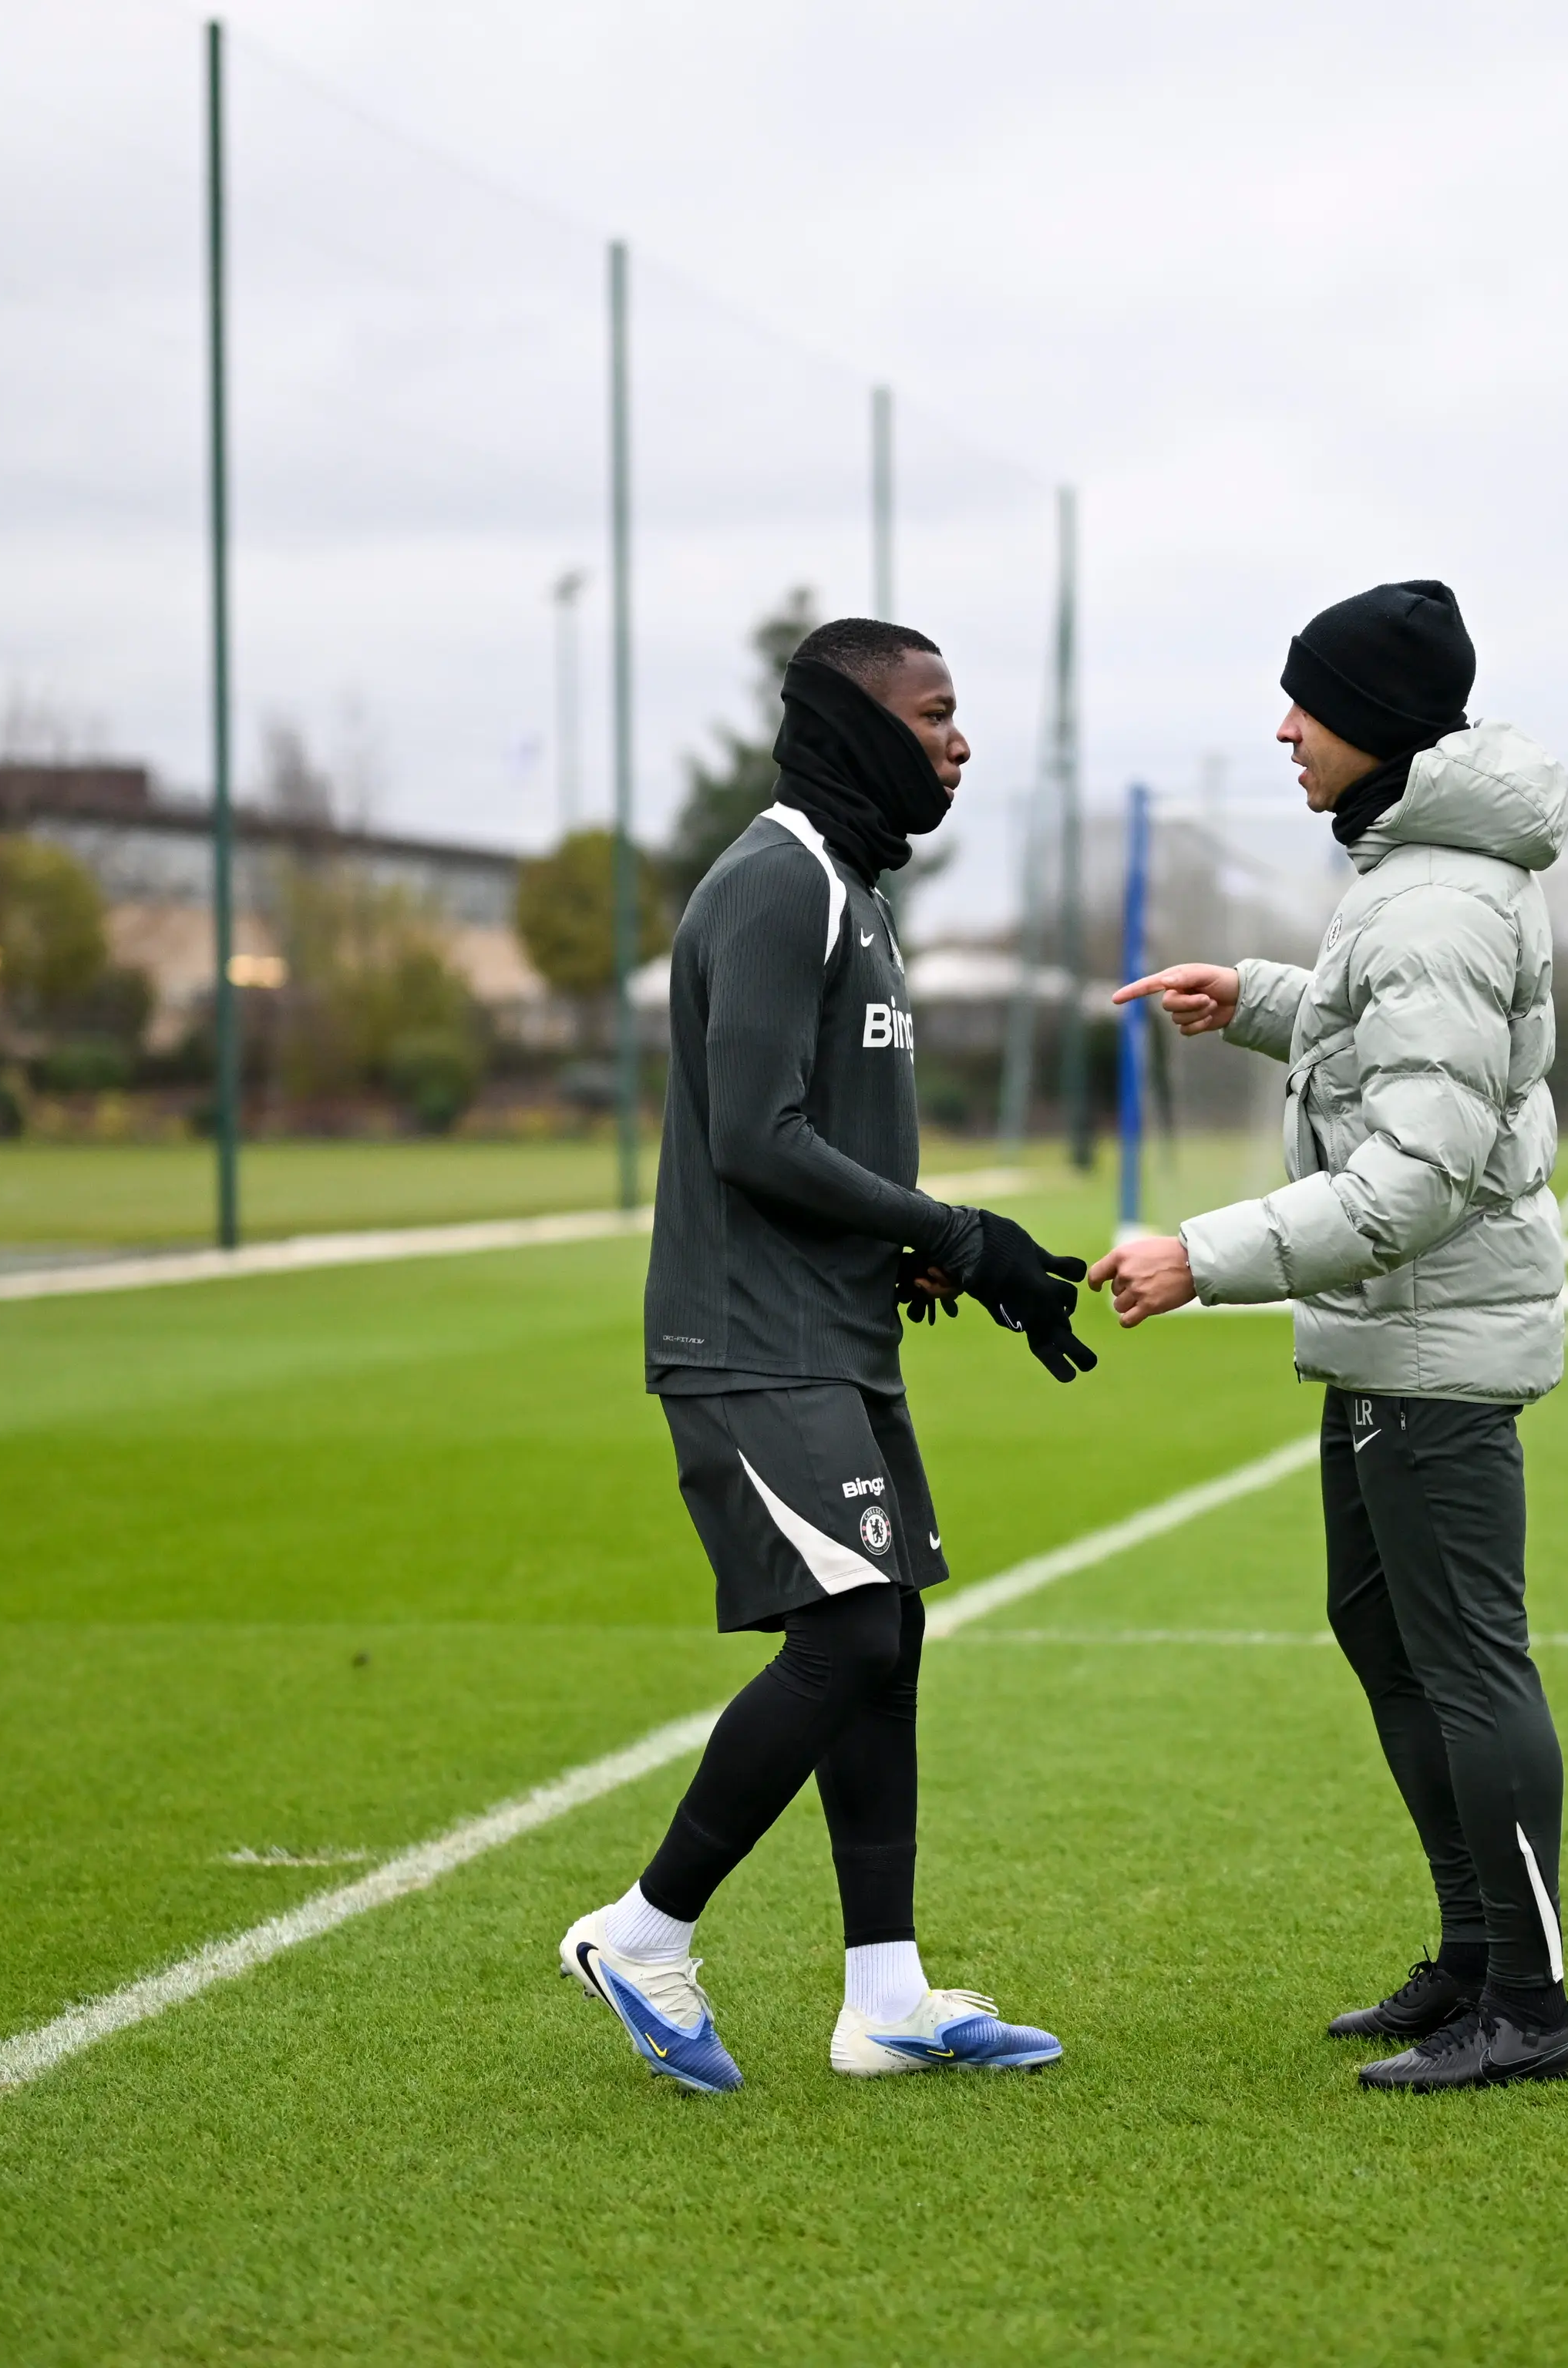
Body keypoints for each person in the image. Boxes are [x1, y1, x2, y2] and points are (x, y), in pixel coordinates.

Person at [559, 617, 1096, 2093]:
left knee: (890, 1641)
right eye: (936, 713)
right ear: (856, 722)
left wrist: (931, 1257)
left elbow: (822, 1142)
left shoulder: (850, 887)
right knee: (847, 1633)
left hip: (832, 1334)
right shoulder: (775, 882)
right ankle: (644, 1930)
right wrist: (960, 1225)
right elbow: (756, 1138)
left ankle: (888, 1995)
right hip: (745, 1342)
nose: (960, 741)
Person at [1092, 580, 1568, 2093]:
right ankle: (1472, 1959)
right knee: (1386, 1638)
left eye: (1305, 703)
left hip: (1428, 1348)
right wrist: (1257, 1000)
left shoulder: (1432, 894)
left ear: (1373, 723)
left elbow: (1418, 1174)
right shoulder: (1412, 874)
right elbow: (1390, 1033)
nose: (1284, 729)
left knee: (1465, 1663)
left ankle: (1532, 2002)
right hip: (1390, 1346)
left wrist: (1206, 1257)